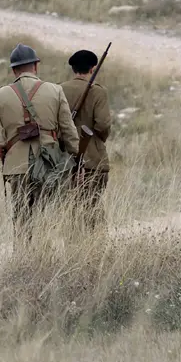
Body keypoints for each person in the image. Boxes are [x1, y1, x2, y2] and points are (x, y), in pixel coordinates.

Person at [0, 44, 78, 244]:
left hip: (17, 166)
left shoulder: (0, 94)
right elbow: (69, 131)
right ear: (35, 66)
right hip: (50, 163)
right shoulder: (55, 90)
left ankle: (23, 261)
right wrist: (72, 157)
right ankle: (46, 261)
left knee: (21, 220)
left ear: (14, 70)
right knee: (50, 218)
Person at [60, 49, 112, 232]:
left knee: (67, 210)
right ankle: (96, 250)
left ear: (73, 68)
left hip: (63, 161)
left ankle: (73, 249)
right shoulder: (98, 92)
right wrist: (97, 142)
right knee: (93, 209)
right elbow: (103, 124)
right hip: (93, 161)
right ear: (93, 68)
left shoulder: (59, 89)